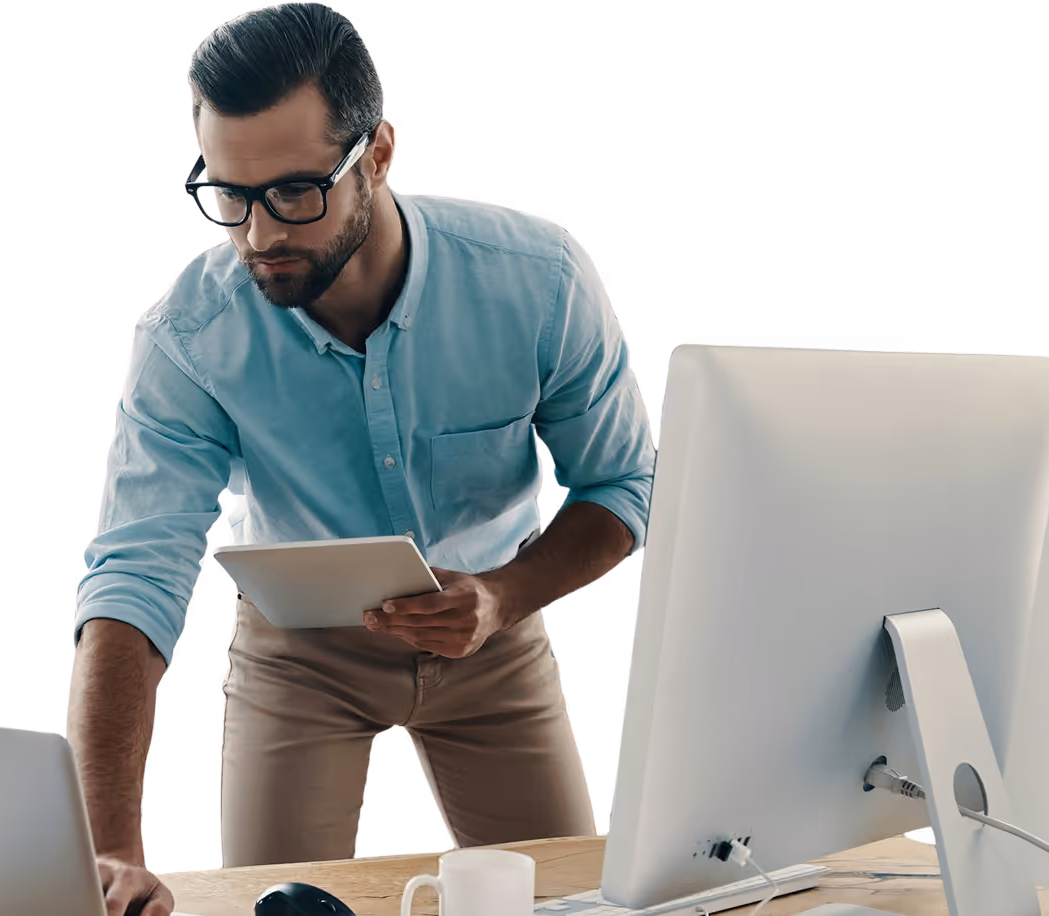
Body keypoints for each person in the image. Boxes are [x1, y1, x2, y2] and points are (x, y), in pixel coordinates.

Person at [64, 4, 657, 914]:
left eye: (295, 192)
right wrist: (103, 853)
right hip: (295, 655)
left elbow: (620, 487)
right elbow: (132, 577)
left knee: (573, 906)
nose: (259, 235)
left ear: (377, 154)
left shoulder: (539, 280)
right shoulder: (190, 336)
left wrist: (500, 597)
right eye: (228, 195)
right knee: (276, 908)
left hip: (492, 630)